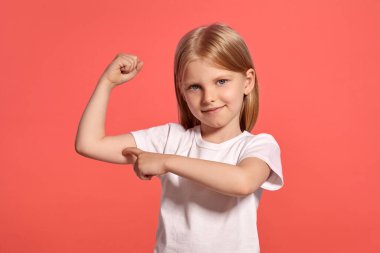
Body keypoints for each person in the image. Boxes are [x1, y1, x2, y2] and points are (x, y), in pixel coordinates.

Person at [75, 23, 284, 253]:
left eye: (221, 81)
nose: (209, 98)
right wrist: (107, 84)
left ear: (247, 81)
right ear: (182, 92)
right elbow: (89, 144)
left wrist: (166, 161)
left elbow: (242, 182)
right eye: (195, 87)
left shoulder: (258, 146)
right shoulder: (171, 138)